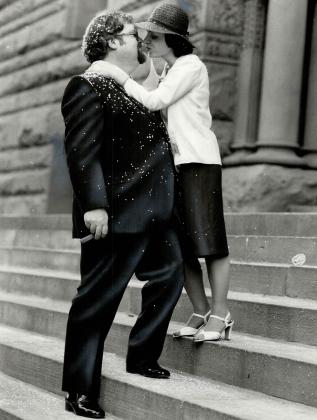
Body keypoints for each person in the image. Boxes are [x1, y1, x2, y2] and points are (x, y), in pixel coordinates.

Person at [61, 10, 184, 419]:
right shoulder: (88, 85)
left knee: (169, 276)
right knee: (96, 301)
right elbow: (82, 152)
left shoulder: (133, 86)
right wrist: (94, 205)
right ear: (113, 40)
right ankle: (79, 389)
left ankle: (142, 355)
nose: (141, 42)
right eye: (134, 35)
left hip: (157, 211)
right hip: (115, 212)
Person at [89, 2, 234, 344]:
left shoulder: (190, 66)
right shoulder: (170, 69)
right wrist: (150, 68)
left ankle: (221, 312)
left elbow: (154, 102)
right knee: (180, 245)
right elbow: (152, 98)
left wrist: (117, 74)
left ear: (171, 38)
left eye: (153, 36)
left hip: (199, 163)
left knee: (209, 243)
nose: (146, 41)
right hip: (177, 166)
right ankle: (199, 311)